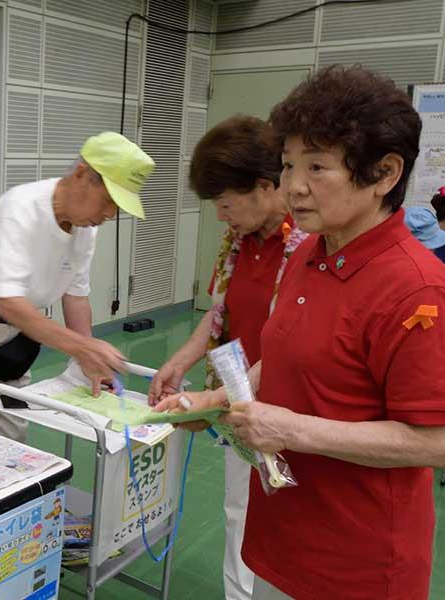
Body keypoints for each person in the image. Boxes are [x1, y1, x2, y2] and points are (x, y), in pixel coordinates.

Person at [156, 65, 445, 600]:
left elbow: (436, 440)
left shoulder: (417, 289)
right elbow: (284, 358)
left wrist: (292, 430)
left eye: (317, 166)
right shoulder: (309, 252)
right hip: (282, 538)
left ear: (384, 173)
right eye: (289, 164)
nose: (293, 186)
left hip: (356, 566)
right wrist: (213, 401)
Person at [149, 115, 308, 600]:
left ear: (264, 187)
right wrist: (180, 360)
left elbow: (295, 344)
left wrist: (214, 400)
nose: (221, 216)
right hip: (240, 404)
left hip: (291, 410)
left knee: (289, 523)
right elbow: (222, 314)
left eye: (225, 203)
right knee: (239, 510)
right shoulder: (240, 243)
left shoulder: (306, 247)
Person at [0, 132, 153, 441]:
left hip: (15, 342)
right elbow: (9, 302)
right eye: (109, 201)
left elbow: (76, 296)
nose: (110, 214)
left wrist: (88, 361)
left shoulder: (85, 230)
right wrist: (82, 348)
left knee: (12, 436)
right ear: (81, 174)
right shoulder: (21, 208)